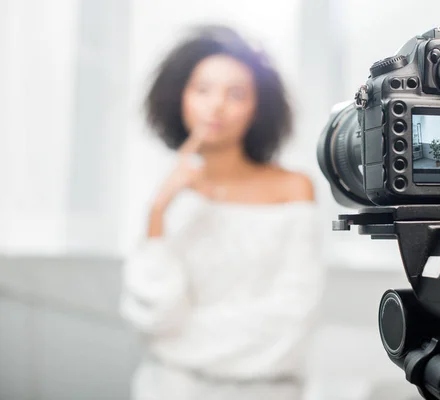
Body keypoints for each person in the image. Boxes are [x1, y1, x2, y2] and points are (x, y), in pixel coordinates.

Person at [119, 25, 324, 400]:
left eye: (236, 93)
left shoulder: (294, 188)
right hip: (168, 389)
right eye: (202, 89)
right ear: (179, 96)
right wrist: (159, 209)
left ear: (257, 108)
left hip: (269, 391)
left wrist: (181, 341)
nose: (216, 106)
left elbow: (290, 325)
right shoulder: (161, 191)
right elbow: (154, 316)